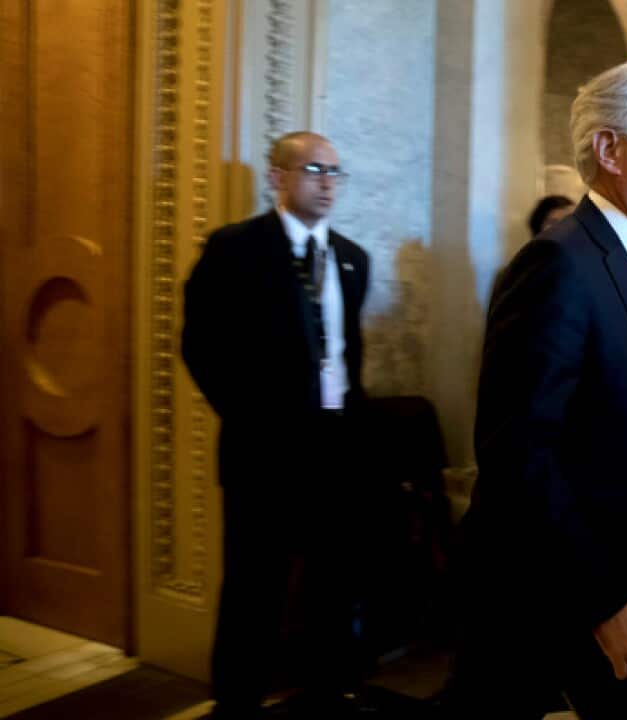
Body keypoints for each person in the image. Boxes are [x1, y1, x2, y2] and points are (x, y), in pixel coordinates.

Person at [448, 60, 627, 719]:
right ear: (609, 148)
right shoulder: (559, 262)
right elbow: (518, 452)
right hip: (557, 585)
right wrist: (603, 601)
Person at [182, 131, 370, 717]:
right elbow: (201, 346)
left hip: (335, 447)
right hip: (262, 452)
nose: (327, 182)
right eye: (314, 169)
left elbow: (344, 353)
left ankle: (328, 691)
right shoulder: (235, 248)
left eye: (336, 172)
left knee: (332, 584)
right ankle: (236, 703)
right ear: (277, 177)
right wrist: (253, 418)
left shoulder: (351, 257)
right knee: (253, 588)